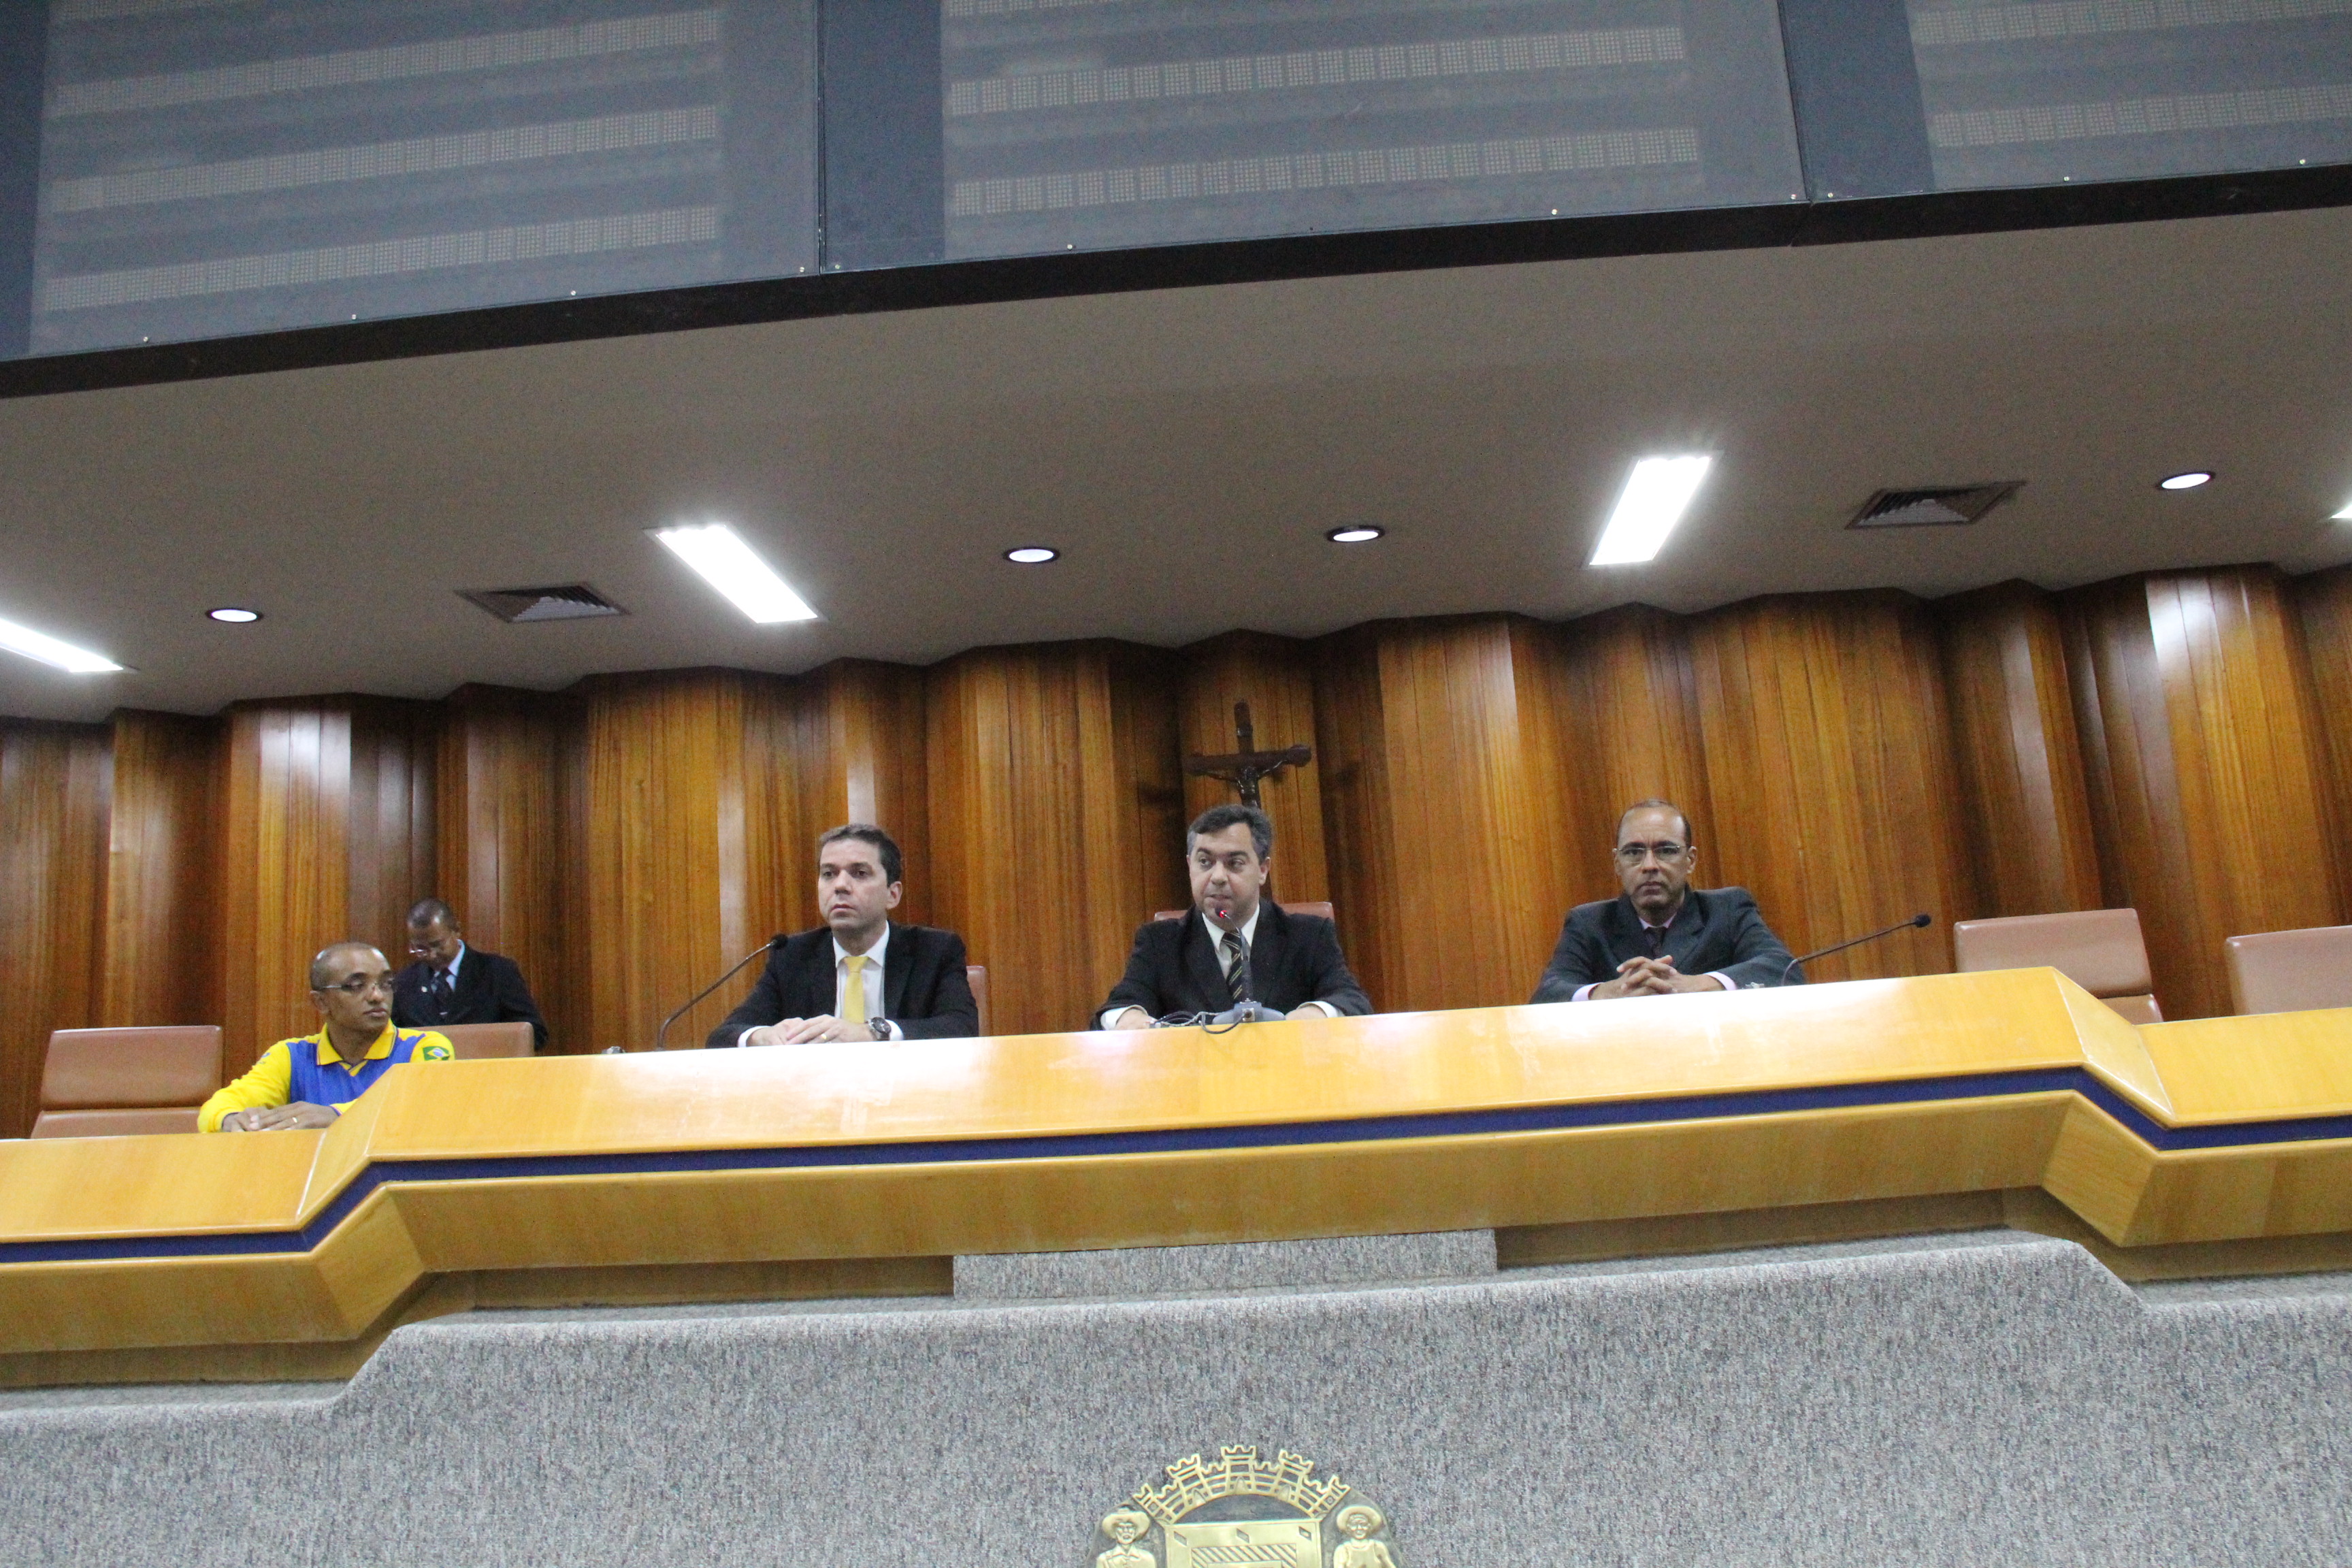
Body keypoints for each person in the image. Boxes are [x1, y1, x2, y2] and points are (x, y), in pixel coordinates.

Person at [1098, 802, 1370, 1028]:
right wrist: (1128, 1019)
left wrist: (1316, 1013)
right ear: (1190, 866)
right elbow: (1116, 1009)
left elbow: (1352, 1001)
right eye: (1205, 862)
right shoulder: (1159, 942)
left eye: (1234, 863)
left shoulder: (1309, 935)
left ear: (1262, 870)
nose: (1217, 877)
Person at [706, 823, 979, 1047]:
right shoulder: (792, 955)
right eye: (829, 874)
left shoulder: (934, 951)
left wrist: (871, 1032)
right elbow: (724, 1035)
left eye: (859, 873)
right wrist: (761, 1036)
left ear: (892, 894)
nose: (840, 886)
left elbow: (962, 1028)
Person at [1531, 799, 1798, 1002]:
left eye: (1666, 851)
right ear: (1617, 863)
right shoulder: (1589, 923)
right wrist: (1604, 993)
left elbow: (1784, 969)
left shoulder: (1728, 909)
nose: (1649, 865)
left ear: (1690, 860)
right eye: (1633, 852)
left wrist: (1701, 984)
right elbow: (1547, 995)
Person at [200, 942, 455, 1131]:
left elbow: (423, 1105)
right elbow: (216, 1108)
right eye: (356, 986)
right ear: (321, 1002)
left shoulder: (424, 1047)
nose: (377, 996)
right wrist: (231, 1120)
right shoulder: (291, 1056)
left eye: (386, 983)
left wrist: (336, 1115)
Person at [391, 897, 550, 1050]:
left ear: (457, 930)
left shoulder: (497, 972)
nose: (432, 955)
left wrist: (487, 1043)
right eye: (421, 949)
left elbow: (535, 1033)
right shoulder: (405, 982)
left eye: (438, 945)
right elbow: (393, 1040)